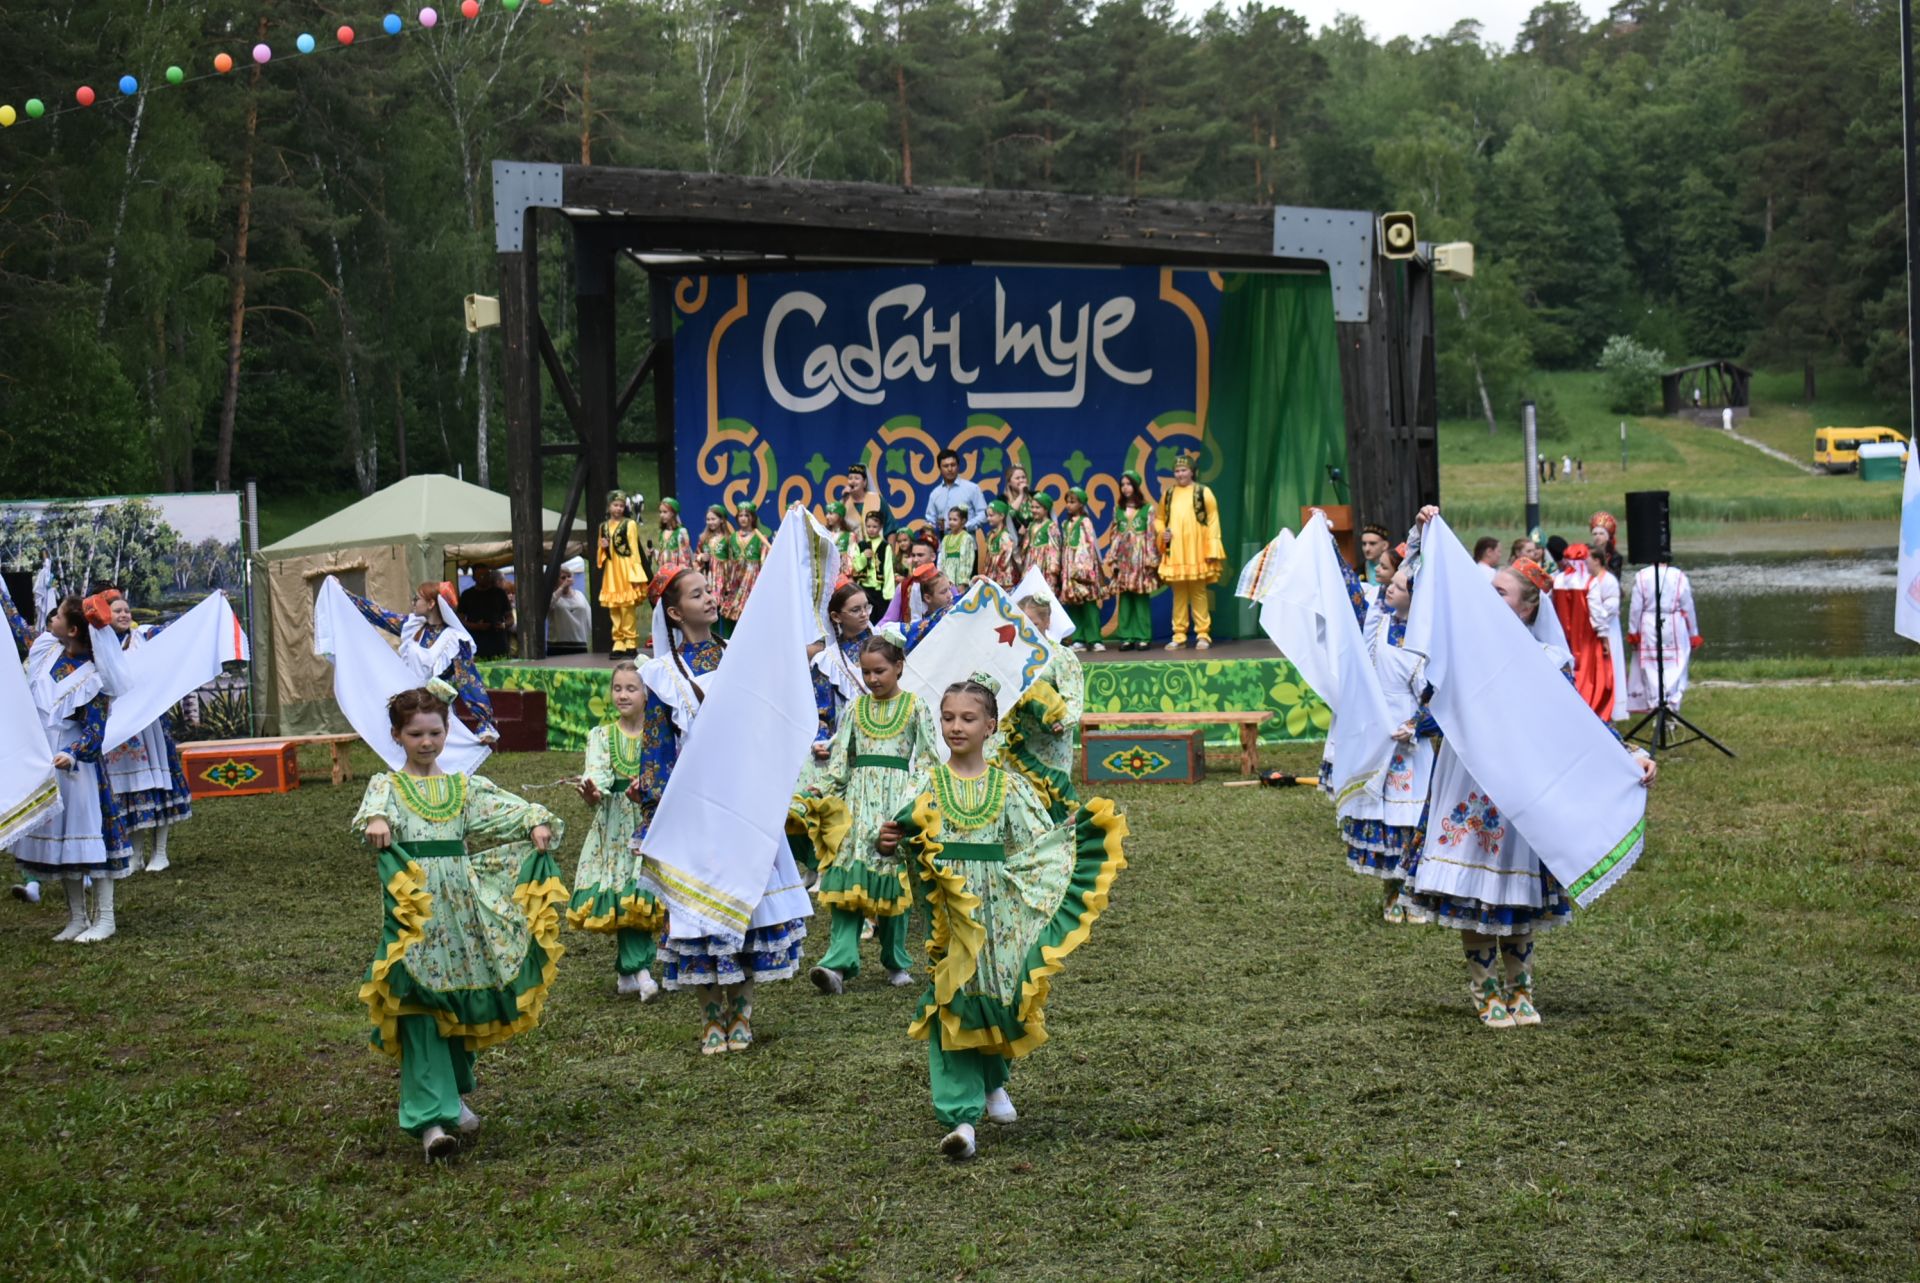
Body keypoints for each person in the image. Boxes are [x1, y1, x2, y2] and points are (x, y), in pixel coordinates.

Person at [875, 675, 1129, 1161]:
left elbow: (1036, 843)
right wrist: (885, 841)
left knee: (999, 994)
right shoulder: (924, 783)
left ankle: (993, 1082)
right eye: (948, 717)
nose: (955, 726)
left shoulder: (1009, 786)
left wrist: (1072, 838)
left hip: (1001, 910)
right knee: (953, 998)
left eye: (967, 718)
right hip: (949, 912)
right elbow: (893, 835)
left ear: (990, 725)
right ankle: (961, 1118)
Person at [1398, 553, 1656, 1028]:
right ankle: (1485, 991)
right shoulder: (1467, 649)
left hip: (1518, 787)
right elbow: (1425, 600)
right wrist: (1425, 538)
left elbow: (1575, 722)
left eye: (1500, 593)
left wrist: (1627, 757)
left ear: (1527, 608)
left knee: (1516, 891)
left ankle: (1521, 989)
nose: (1489, 598)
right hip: (1469, 781)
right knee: (1472, 888)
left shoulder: (1547, 661)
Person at [352, 683, 566, 1160]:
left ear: (447, 732)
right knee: (419, 1003)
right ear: (397, 736)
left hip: (463, 912)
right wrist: (377, 822)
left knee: (457, 997)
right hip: (417, 914)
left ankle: (453, 1093)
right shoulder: (386, 787)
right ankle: (431, 1121)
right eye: (415, 734)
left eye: (435, 732)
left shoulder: (461, 787)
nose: (426, 742)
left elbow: (510, 811)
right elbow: (370, 818)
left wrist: (534, 821)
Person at [639, 568, 807, 1053]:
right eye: (697, 594)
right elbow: (657, 747)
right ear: (675, 611)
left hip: (746, 799)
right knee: (700, 911)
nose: (710, 598)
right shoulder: (662, 674)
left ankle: (744, 1015)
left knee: (748, 907)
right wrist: (655, 808)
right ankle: (712, 1015)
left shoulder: (740, 659)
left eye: (709, 590)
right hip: (697, 806)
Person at [803, 634, 940, 994]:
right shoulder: (855, 710)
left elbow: (927, 760)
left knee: (892, 886)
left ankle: (895, 962)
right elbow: (841, 762)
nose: (873, 679)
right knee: (849, 884)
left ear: (898, 667)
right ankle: (836, 965)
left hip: (895, 810)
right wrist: (823, 793)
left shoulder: (915, 707)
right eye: (866, 672)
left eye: (880, 670)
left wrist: (910, 807)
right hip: (857, 810)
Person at [5, 592, 133, 942]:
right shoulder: (48, 652)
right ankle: (77, 918)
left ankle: (105, 918)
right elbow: (18, 628)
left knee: (94, 843)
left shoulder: (93, 676)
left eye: (59, 617)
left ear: (73, 629)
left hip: (79, 772)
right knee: (65, 845)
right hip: (49, 766)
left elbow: (95, 730)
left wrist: (74, 753)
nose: (52, 621)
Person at [1341, 560, 1440, 924]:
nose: (1389, 589)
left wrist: (1416, 724)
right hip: (1379, 734)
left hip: (1410, 743)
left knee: (1410, 819)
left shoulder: (1427, 639)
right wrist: (1330, 546)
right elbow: (1351, 595)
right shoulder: (1377, 624)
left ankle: (1414, 893)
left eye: (1399, 586)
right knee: (1385, 819)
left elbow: (1439, 697)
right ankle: (1391, 893)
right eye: (1391, 584)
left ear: (1416, 597)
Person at [570, 662, 666, 1001]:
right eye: (617, 688)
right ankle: (640, 971)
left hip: (652, 821)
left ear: (647, 694)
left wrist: (652, 786)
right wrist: (593, 790)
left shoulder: (659, 733)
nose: (622, 695)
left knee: (645, 892)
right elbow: (596, 773)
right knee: (628, 892)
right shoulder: (602, 736)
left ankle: (630, 972)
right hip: (616, 829)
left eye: (631, 688)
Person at [102, 592, 193, 874]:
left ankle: (161, 852)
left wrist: (207, 609)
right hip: (120, 727)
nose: (124, 614)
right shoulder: (100, 646)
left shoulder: (143, 636)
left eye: (127, 610)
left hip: (149, 725)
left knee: (157, 785)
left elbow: (178, 631)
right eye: (117, 611)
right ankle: (136, 853)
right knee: (129, 790)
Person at [348, 583, 499, 742]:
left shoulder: (455, 640)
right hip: (408, 705)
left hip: (436, 710)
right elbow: (378, 614)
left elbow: (468, 680)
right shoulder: (413, 626)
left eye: (417, 598)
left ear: (431, 603)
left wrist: (484, 720)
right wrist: (345, 595)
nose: (414, 602)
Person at [997, 588, 1086, 821]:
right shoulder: (1011, 654)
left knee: (1053, 788)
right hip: (1020, 735)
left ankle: (1058, 831)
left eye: (1035, 624)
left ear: (1047, 622)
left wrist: (1063, 722)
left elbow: (1074, 698)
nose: (1029, 630)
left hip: (1052, 739)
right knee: (1021, 788)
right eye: (1024, 624)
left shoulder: (1062, 656)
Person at [1158, 452, 1225, 650]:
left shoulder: (1203, 492)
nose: (1180, 474)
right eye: (1177, 471)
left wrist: (1212, 548)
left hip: (1196, 551)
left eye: (1184, 470)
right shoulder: (1168, 494)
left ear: (1192, 471)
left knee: (1198, 592)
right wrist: (1163, 534)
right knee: (1179, 594)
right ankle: (1179, 635)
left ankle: (1203, 634)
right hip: (1177, 552)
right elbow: (1159, 519)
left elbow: (1213, 520)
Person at [1625, 559, 1701, 713]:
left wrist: (1634, 630)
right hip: (1674, 621)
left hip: (1649, 622)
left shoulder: (1642, 575)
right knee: (1675, 664)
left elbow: (1635, 607)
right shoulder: (1679, 576)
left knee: (1652, 665)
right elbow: (1688, 605)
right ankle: (1672, 704)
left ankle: (1656, 703)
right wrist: (1693, 632)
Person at [1551, 545, 1616, 722]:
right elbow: (1595, 611)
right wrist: (1603, 636)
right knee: (1591, 676)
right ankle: (1592, 710)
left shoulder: (1557, 580)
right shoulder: (1589, 581)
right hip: (1586, 637)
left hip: (1563, 635)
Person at [597, 492, 649, 659]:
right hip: (612, 570)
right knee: (614, 607)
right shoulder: (603, 526)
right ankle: (618, 641)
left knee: (627, 607)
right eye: (615, 505)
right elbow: (601, 556)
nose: (618, 508)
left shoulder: (630, 524)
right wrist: (603, 547)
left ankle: (631, 642)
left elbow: (634, 549)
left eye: (621, 505)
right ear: (609, 506)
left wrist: (636, 572)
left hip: (626, 567)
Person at [1056, 488, 1109, 651]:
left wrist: (1084, 567)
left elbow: (1091, 545)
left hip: (1084, 569)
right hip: (1069, 569)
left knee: (1089, 605)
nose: (1068, 506)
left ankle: (1094, 639)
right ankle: (1078, 638)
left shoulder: (1085, 522)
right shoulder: (1065, 524)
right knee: (1074, 604)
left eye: (1072, 502)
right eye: (1067, 502)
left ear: (1081, 504)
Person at [721, 505, 771, 637]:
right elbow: (730, 559)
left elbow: (764, 561)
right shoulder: (732, 537)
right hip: (736, 577)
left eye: (746, 516)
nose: (743, 519)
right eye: (741, 515)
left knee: (749, 608)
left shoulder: (760, 537)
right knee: (733, 608)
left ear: (752, 518)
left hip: (751, 576)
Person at [923, 449, 987, 532]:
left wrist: (965, 527)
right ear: (939, 468)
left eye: (953, 465)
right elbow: (930, 521)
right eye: (946, 466)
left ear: (958, 466)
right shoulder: (935, 494)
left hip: (966, 542)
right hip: (944, 543)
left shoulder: (972, 488)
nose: (950, 469)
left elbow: (984, 514)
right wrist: (930, 527)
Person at [459, 566, 514, 662]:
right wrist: (475, 626)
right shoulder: (467, 595)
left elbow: (510, 618)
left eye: (485, 575)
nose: (483, 578)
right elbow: (459, 621)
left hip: (499, 646)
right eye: (480, 576)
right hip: (476, 647)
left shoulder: (500, 594)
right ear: (474, 578)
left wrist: (503, 625)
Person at [899, 567, 956, 652]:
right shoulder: (921, 628)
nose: (950, 594)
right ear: (928, 598)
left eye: (949, 588)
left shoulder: (953, 609)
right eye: (944, 592)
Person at [854, 511, 894, 616]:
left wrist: (889, 594)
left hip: (879, 590)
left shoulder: (885, 546)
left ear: (880, 527)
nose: (871, 529)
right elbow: (856, 566)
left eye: (875, 526)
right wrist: (863, 557)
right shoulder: (861, 545)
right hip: (864, 587)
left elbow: (888, 569)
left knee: (879, 616)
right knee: (865, 616)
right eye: (868, 526)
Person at [1022, 491, 1061, 592]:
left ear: (1046, 509)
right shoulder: (1031, 525)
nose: (1034, 510)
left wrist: (1052, 568)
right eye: (1032, 507)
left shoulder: (1051, 526)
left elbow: (1055, 548)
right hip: (1030, 563)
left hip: (1044, 564)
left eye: (1037, 507)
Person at [548, 569, 591, 656]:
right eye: (563, 578)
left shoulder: (580, 595)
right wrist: (561, 588)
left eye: (569, 577)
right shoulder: (553, 596)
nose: (567, 580)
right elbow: (547, 607)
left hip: (579, 645)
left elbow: (589, 617)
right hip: (557, 646)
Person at [981, 501, 1022, 590]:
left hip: (1003, 576)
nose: (988, 518)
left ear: (1002, 516)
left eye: (991, 516)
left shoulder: (1005, 535)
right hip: (992, 574)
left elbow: (1005, 559)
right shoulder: (991, 534)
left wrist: (995, 571)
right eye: (987, 516)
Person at [938, 506, 977, 587]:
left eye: (955, 520)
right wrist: (941, 579)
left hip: (959, 579)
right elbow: (942, 560)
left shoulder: (966, 538)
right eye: (950, 519)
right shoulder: (946, 539)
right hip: (947, 580)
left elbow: (967, 561)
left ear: (963, 521)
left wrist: (963, 582)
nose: (951, 522)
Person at [655, 499, 695, 576]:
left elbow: (685, 557)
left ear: (673, 513)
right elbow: (661, 558)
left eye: (665, 512)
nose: (661, 515)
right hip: (665, 573)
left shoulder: (681, 532)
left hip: (677, 573)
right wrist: (653, 552)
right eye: (660, 512)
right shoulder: (662, 533)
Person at [842, 463, 884, 531]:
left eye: (856, 478)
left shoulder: (877, 500)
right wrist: (843, 501)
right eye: (850, 478)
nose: (853, 481)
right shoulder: (843, 502)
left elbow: (890, 527)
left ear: (864, 482)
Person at [1587, 511, 1624, 577]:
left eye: (1601, 534)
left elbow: (1614, 577)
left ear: (1608, 537)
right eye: (1595, 534)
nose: (1597, 537)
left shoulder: (1615, 557)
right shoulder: (1587, 552)